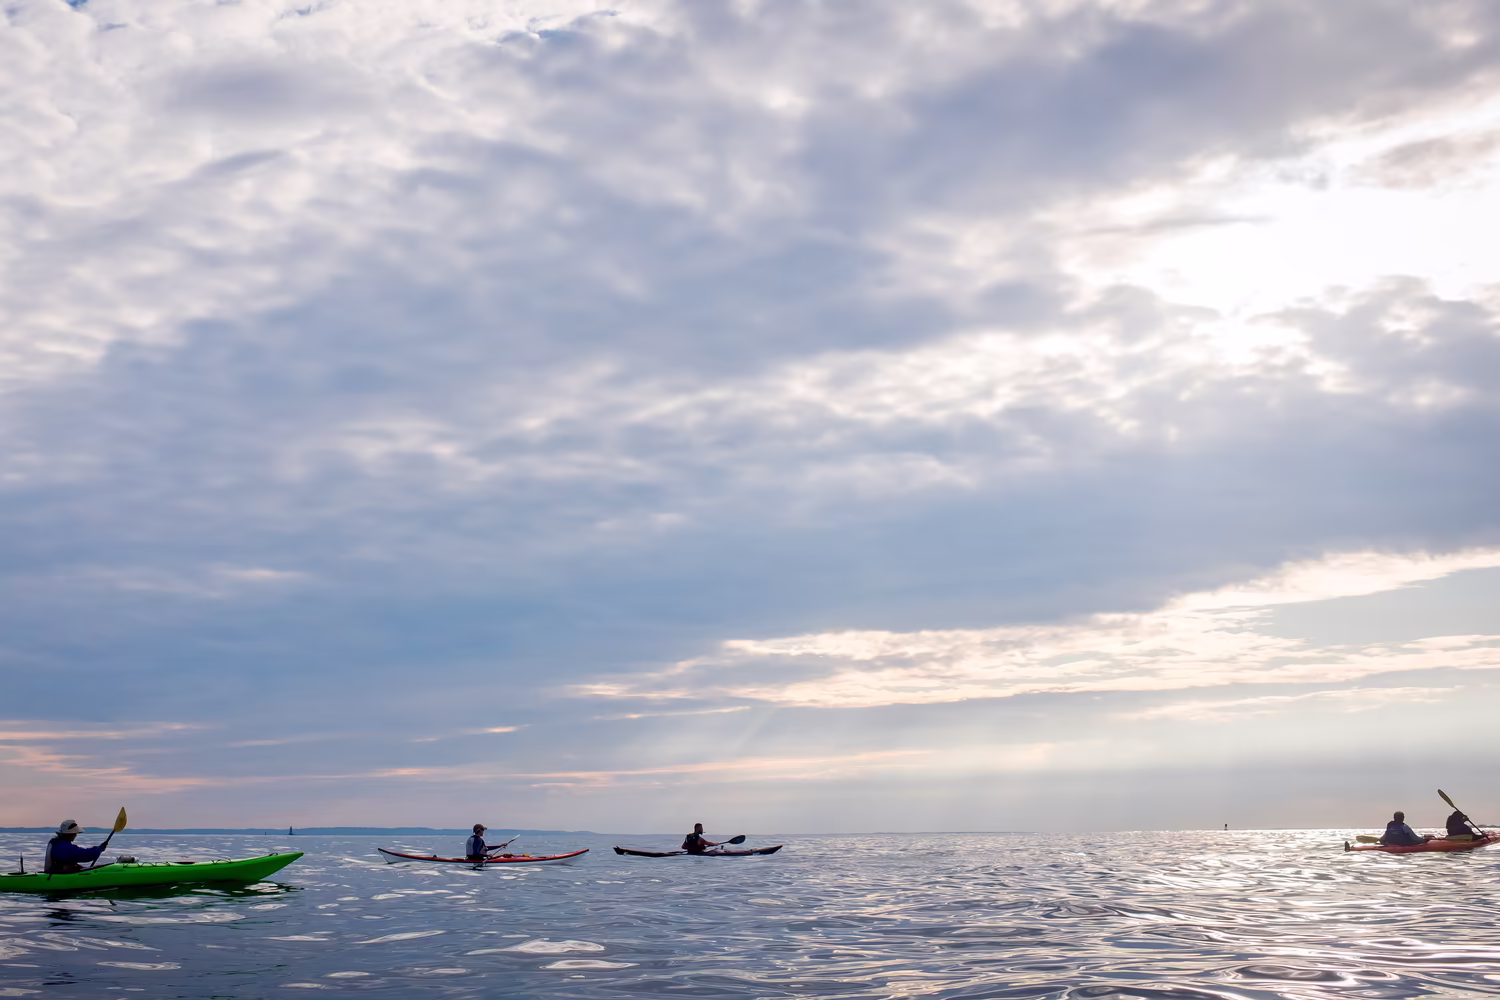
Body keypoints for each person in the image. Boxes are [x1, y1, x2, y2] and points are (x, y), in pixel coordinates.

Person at [43, 820, 110, 874]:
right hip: (55, 875)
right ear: (71, 834)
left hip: (55, 873)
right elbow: (85, 855)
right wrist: (98, 849)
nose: (76, 835)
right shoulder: (64, 847)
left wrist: (98, 849)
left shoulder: (55, 842)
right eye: (75, 833)